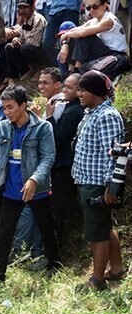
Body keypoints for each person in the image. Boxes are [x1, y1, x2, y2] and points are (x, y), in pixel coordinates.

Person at [0, 86, 61, 283]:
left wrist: (34, 179)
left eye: (10, 107)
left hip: (36, 190)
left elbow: (48, 158)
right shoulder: (2, 127)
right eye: (4, 108)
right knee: (3, 235)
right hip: (11, 191)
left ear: (24, 105)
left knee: (47, 229)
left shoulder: (42, 127)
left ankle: (55, 266)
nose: (7, 112)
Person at [71, 70, 125, 291]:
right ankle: (116, 268)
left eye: (83, 89)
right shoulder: (91, 113)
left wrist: (111, 187)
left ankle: (97, 280)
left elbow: (113, 154)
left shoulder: (107, 116)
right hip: (86, 179)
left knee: (97, 233)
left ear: (95, 91)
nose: (79, 93)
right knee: (103, 226)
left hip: (97, 183)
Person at [47, 73, 85, 250]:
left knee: (57, 211)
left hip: (64, 166)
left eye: (69, 87)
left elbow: (57, 139)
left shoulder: (74, 111)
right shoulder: (70, 107)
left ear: (79, 90)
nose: (64, 90)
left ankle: (54, 254)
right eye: (64, 86)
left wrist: (49, 117)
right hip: (65, 166)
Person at [59, 0, 128, 70]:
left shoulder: (108, 20)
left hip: (116, 55)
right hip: (103, 52)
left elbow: (82, 33)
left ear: (105, 5)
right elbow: (74, 30)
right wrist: (65, 44)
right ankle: (72, 69)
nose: (91, 10)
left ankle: (77, 70)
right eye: (88, 8)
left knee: (86, 36)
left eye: (95, 6)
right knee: (74, 38)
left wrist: (66, 35)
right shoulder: (94, 20)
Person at [3, 0, 49, 84]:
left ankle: (39, 69)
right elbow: (21, 35)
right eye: (20, 8)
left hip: (40, 53)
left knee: (26, 48)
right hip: (28, 48)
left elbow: (34, 43)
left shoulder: (37, 19)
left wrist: (19, 42)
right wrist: (16, 40)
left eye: (25, 7)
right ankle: (16, 76)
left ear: (32, 7)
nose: (22, 10)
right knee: (9, 47)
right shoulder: (25, 19)